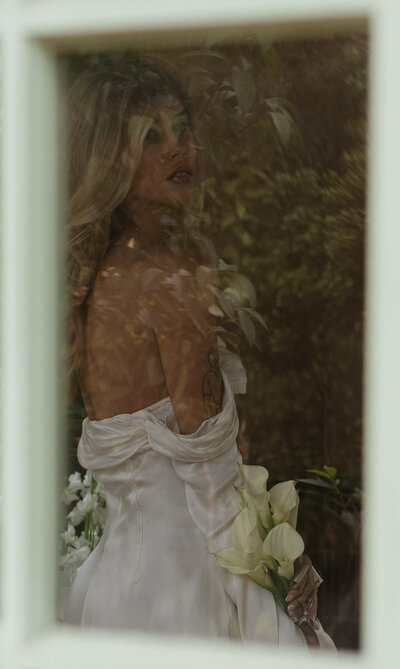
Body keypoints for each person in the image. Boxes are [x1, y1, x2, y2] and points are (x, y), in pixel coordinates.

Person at [64, 56, 334, 649]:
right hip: (186, 588)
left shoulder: (107, 275)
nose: (178, 149)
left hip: (120, 582)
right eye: (150, 137)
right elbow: (213, 482)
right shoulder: (164, 280)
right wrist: (281, 577)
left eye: (183, 129)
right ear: (111, 159)